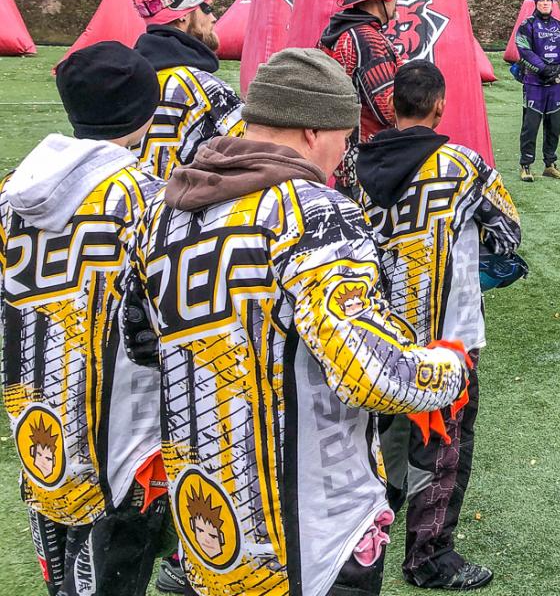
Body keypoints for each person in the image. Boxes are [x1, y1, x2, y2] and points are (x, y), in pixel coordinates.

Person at [125, 49, 470, 596]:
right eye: (344, 136)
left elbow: (141, 341)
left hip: (208, 515)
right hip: (311, 526)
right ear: (313, 131)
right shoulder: (314, 212)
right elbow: (370, 375)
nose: (345, 152)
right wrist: (449, 366)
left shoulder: (162, 212)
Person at [1, 43, 170, 596]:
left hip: (37, 420)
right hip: (127, 436)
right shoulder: (148, 200)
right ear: (144, 110)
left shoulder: (11, 194)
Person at [355, 61, 522, 591]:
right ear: (439, 106)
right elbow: (507, 233)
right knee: (444, 443)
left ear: (392, 106)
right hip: (449, 337)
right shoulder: (462, 165)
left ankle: (365, 534)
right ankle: (428, 556)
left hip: (374, 334)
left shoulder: (355, 164)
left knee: (376, 435)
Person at [130, 0, 244, 180]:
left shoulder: (127, 80)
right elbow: (256, 152)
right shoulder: (201, 87)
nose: (213, 17)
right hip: (186, 201)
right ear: (183, 15)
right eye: (207, 7)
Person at [319, 0, 410, 194]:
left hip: (341, 159)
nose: (396, 1)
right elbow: (389, 109)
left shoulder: (335, 33)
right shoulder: (368, 40)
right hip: (370, 167)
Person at [514, 0, 560, 181]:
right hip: (534, 83)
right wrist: (544, 69)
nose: (545, 3)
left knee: (554, 125)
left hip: (555, 84)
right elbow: (524, 50)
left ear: (552, 3)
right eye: (541, 1)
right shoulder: (528, 25)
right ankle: (525, 165)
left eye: (548, 0)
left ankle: (550, 165)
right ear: (536, 3)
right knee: (530, 126)